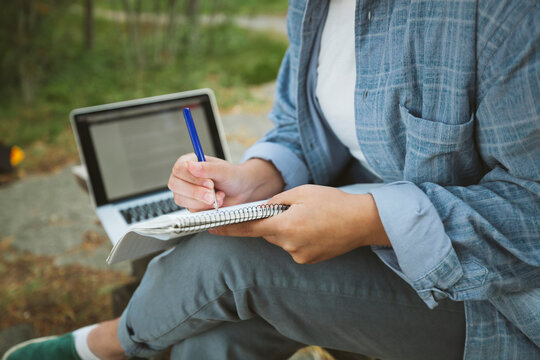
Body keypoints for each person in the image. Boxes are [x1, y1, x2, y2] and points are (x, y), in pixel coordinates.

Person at [4, 0, 539, 359]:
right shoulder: (314, 8)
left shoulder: (501, 16)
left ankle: (106, 345)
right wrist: (254, 179)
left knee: (226, 259)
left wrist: (370, 221)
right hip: (359, 223)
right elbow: (298, 126)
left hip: (492, 298)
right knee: (213, 335)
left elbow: (531, 211)